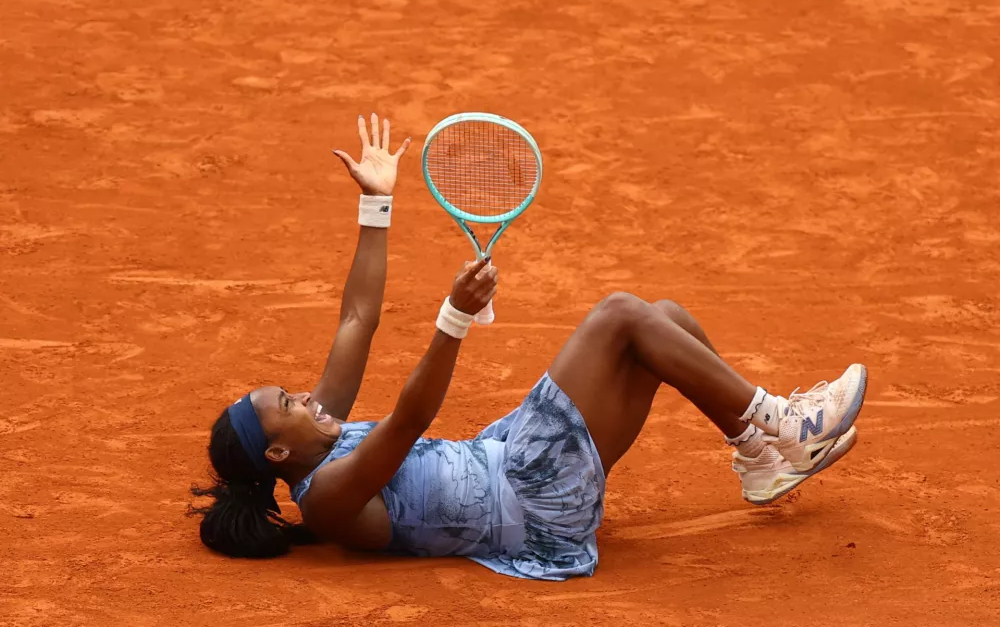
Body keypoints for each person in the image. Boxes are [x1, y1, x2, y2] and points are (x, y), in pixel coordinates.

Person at [191, 114, 867, 580]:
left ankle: (758, 458)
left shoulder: (322, 434)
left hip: (515, 461)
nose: (304, 394)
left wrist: (376, 206)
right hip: (531, 494)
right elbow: (410, 421)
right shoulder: (328, 496)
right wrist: (454, 316)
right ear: (278, 452)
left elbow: (358, 318)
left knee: (662, 317)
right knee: (621, 316)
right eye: (288, 402)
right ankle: (781, 420)